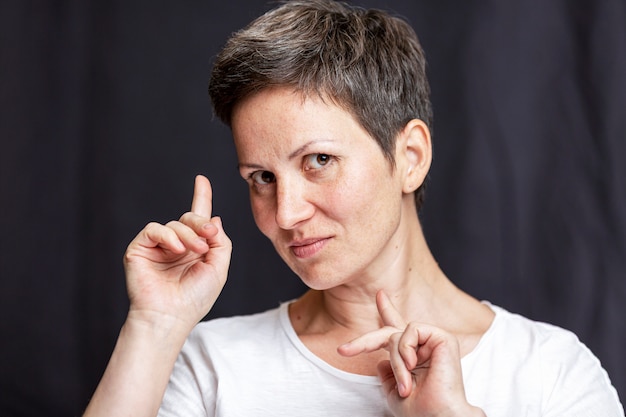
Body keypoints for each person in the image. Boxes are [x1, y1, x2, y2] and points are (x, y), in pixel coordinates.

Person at [83, 1, 624, 416]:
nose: (286, 213)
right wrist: (155, 325)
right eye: (262, 178)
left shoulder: (549, 372)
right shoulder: (209, 364)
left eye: (319, 159)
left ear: (410, 157)